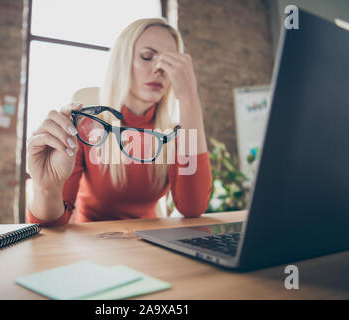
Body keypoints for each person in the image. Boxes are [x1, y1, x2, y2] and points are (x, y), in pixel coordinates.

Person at [27, 18, 212, 226]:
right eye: (147, 56)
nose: (160, 69)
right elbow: (53, 225)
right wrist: (45, 189)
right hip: (92, 244)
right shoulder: (86, 128)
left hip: (151, 244)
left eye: (170, 63)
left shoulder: (173, 134)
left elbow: (193, 207)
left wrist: (188, 96)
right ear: (121, 63)